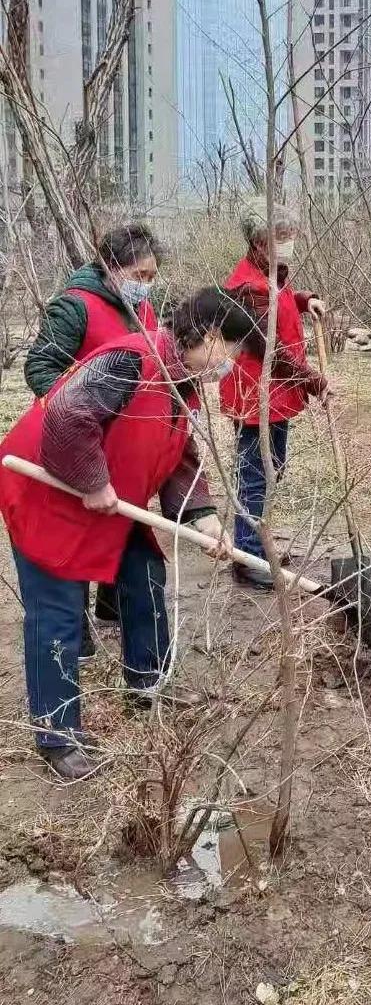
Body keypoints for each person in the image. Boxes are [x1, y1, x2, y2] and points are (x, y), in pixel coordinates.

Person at [0, 287, 251, 781]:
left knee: (144, 575)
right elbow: (67, 415)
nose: (234, 363)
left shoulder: (184, 385)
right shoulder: (132, 359)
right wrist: (92, 482)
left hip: (114, 499)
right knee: (58, 613)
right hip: (49, 494)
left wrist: (207, 520)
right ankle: (58, 733)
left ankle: (147, 683)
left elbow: (179, 459)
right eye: (235, 351)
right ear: (214, 335)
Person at [24, 223, 164, 649]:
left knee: (119, 524)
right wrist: (82, 411)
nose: (146, 285)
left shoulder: (141, 309)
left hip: (123, 445)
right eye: (140, 276)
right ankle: (76, 629)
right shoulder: (75, 306)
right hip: (77, 442)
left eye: (151, 277)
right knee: (76, 532)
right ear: (111, 267)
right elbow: (40, 368)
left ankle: (112, 603)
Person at [221, 201, 329, 589]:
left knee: (272, 469)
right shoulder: (249, 287)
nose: (289, 243)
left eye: (291, 236)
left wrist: (304, 300)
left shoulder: (272, 273)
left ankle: (257, 543)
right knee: (255, 474)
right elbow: (272, 352)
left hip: (276, 393)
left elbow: (283, 299)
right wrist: (313, 381)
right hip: (256, 395)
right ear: (259, 241)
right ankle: (248, 556)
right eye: (280, 237)